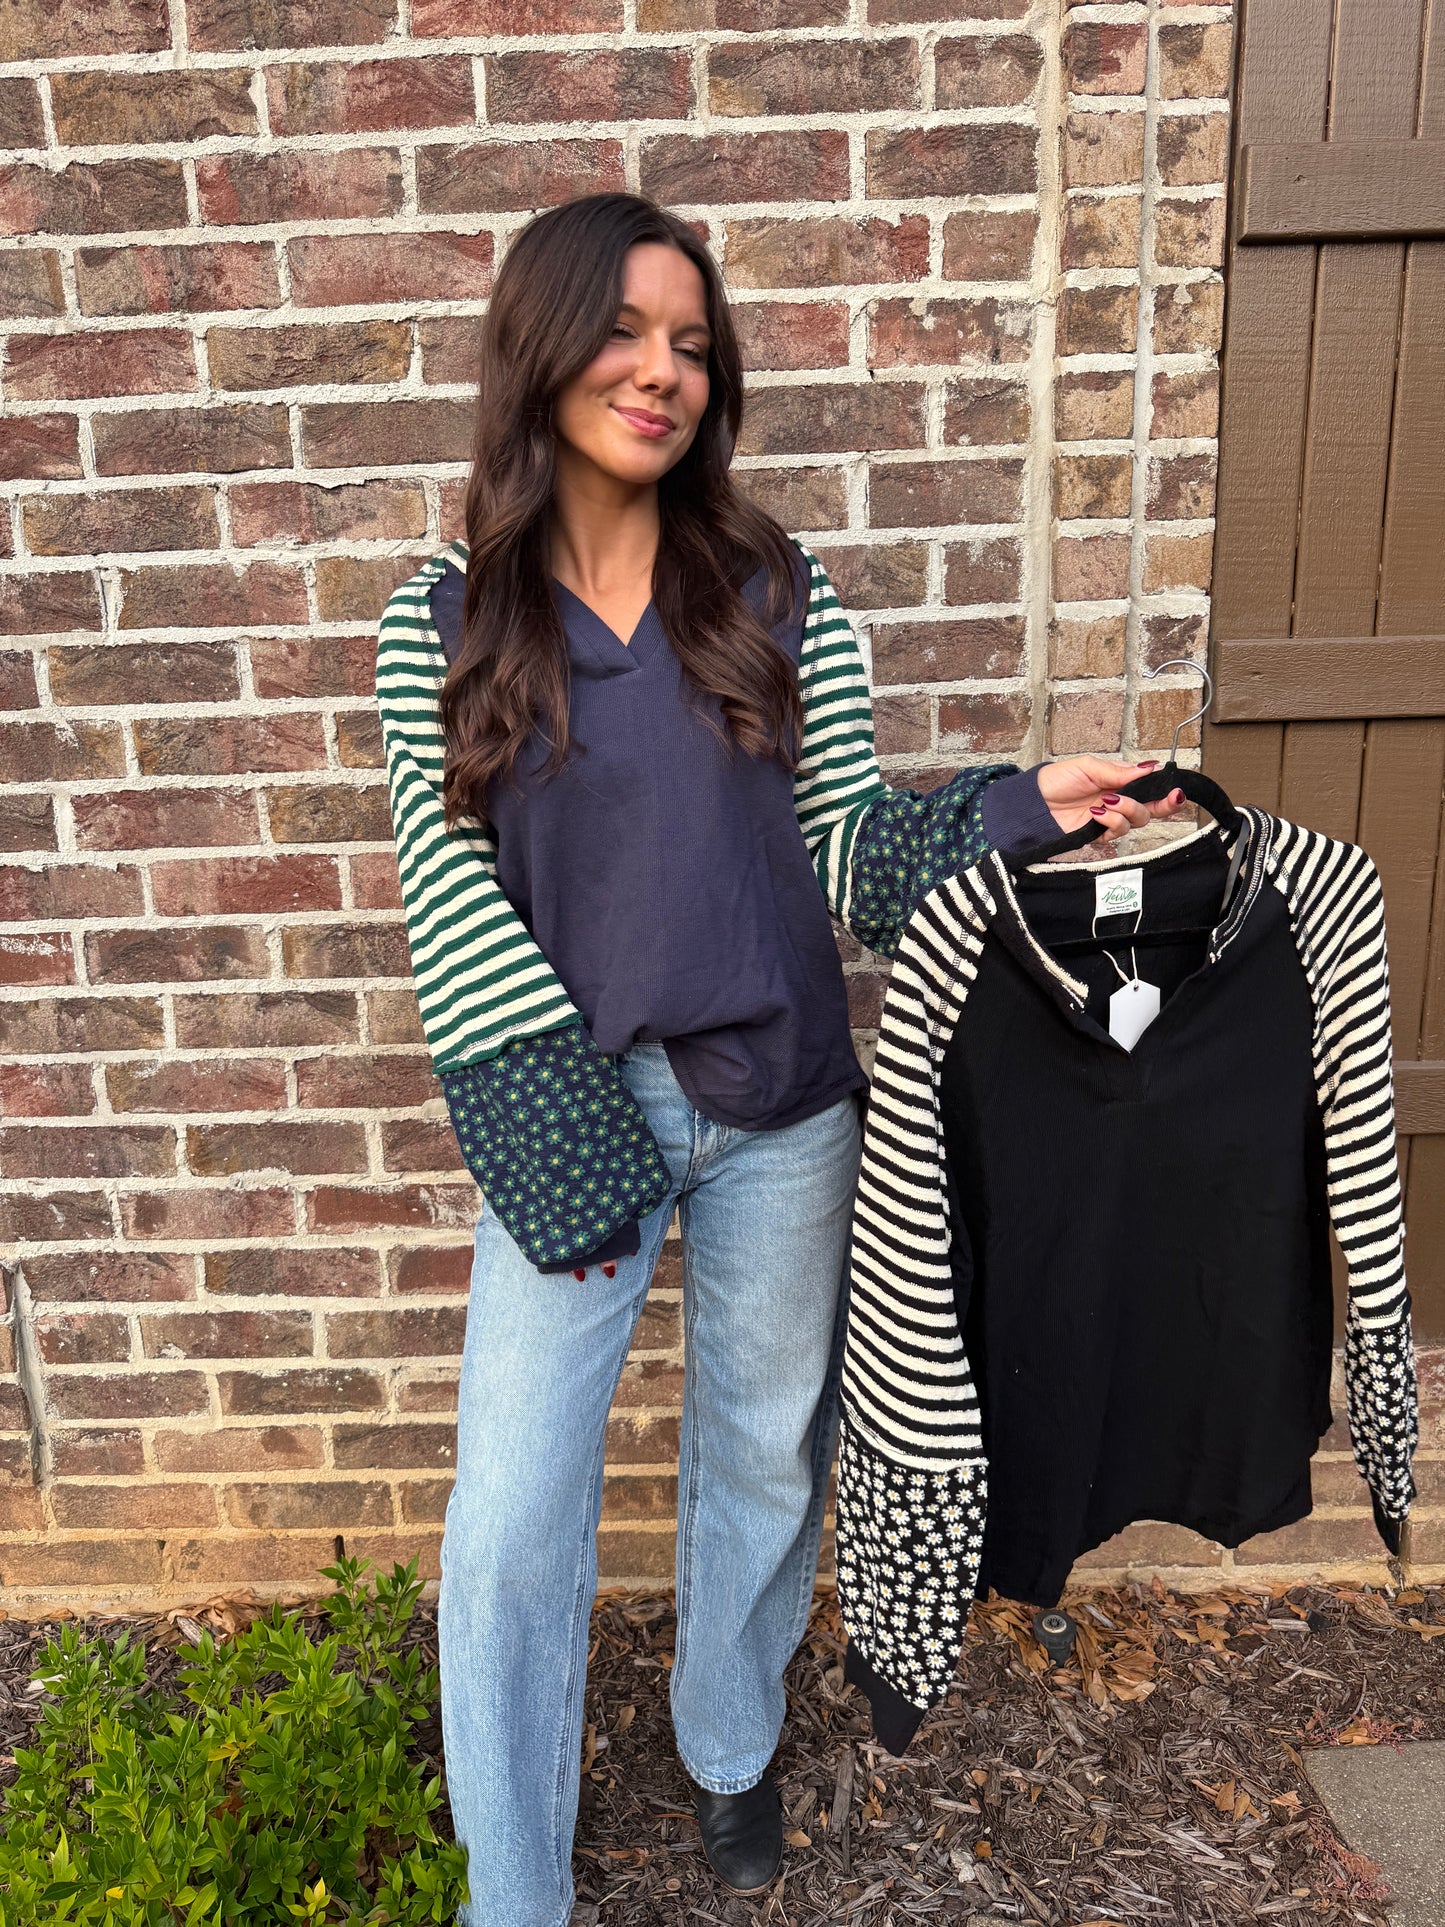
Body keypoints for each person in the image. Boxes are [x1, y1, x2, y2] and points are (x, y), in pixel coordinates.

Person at [375, 191, 1183, 1927]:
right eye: (624, 330)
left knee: (762, 1458)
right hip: (567, 1120)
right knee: (513, 1515)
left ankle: (725, 1750)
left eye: (689, 342)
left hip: (784, 1117)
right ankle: (511, 1892)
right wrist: (543, 1127)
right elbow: (442, 887)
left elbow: (841, 856)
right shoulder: (439, 621)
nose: (660, 370)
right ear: (541, 341)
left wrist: (1008, 810)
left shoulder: (773, 591)